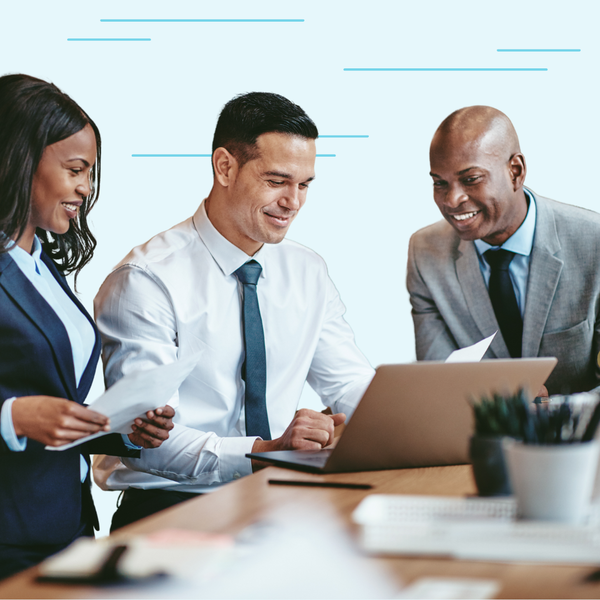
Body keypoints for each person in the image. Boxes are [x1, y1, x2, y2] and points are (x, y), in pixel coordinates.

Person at [93, 92, 375, 530]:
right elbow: (150, 443)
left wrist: (406, 422)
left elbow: (349, 383)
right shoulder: (146, 280)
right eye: (277, 180)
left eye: (304, 185)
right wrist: (270, 450)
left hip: (281, 506)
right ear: (225, 167)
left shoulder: (308, 271)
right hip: (172, 513)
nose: (293, 202)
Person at [0, 74, 175, 580]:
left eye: (91, 172)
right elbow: (26, 408)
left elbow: (53, 399)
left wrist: (121, 429)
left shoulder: (41, 263)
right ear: (18, 160)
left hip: (67, 523)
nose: (85, 188)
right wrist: (12, 416)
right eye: (76, 169)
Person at [407, 105, 600, 395]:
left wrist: (558, 413)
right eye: (440, 183)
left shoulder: (592, 241)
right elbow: (440, 381)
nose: (452, 199)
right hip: (480, 435)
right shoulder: (425, 253)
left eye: (471, 179)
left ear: (516, 171)